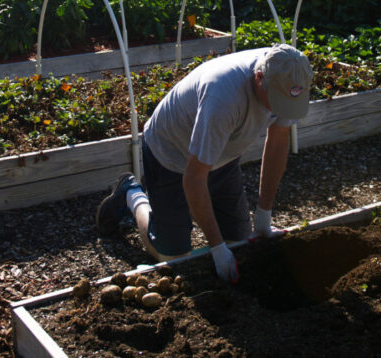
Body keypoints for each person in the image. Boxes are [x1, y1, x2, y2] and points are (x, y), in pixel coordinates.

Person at [96, 44, 314, 283]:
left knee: (240, 242)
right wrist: (217, 248)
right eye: (276, 100)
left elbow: (277, 143)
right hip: (170, 152)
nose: (279, 108)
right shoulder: (224, 97)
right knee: (172, 255)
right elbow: (194, 177)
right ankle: (132, 194)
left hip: (222, 153)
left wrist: (264, 215)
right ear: (259, 78)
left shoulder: (291, 76)